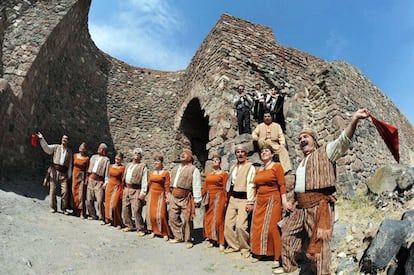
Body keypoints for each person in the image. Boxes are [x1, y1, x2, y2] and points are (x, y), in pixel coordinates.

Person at [275, 108, 370, 275]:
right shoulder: (301, 162)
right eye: (299, 138)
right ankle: (289, 267)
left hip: (319, 205)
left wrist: (354, 118)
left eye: (305, 137)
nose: (301, 140)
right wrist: (291, 201)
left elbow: (343, 141)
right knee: (287, 235)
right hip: (300, 206)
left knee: (319, 245)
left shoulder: (326, 151)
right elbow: (299, 185)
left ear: (314, 140)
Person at [250, 146, 288, 273]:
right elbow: (255, 186)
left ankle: (276, 257)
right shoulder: (259, 169)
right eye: (262, 152)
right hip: (260, 201)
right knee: (258, 226)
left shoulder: (277, 166)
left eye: (266, 151)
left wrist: (284, 201)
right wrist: (253, 199)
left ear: (272, 154)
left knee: (272, 227)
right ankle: (259, 252)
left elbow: (282, 184)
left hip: (273, 199)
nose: (263, 153)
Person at [224, 144, 256, 258]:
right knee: (228, 224)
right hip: (233, 198)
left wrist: (250, 201)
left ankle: (244, 248)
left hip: (244, 199)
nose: (240, 154)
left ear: (246, 154)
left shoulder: (250, 167)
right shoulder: (233, 167)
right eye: (238, 152)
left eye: (242, 152)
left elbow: (251, 184)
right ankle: (234, 246)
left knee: (240, 226)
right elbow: (229, 183)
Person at [168, 148, 202, 249]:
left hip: (186, 197)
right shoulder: (175, 169)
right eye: (181, 153)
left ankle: (188, 239)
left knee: (187, 218)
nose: (182, 155)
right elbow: (171, 183)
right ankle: (179, 236)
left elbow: (196, 184)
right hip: (174, 196)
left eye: (185, 154)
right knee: (172, 217)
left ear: (190, 157)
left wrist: (197, 199)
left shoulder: (193, 169)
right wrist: (169, 194)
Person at [36, 132, 73, 214]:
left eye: (66, 139)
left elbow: (70, 164)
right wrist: (42, 139)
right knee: (52, 190)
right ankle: (53, 207)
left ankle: (63, 208)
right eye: (63, 138)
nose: (64, 140)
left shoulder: (69, 152)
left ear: (68, 141)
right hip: (54, 171)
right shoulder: (56, 147)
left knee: (65, 191)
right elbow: (47, 149)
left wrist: (69, 175)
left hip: (64, 173)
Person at [202, 153, 228, 251]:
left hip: (219, 197)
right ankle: (212, 238)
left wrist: (225, 200)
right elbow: (205, 186)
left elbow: (226, 188)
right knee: (208, 218)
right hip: (209, 198)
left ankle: (221, 241)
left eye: (217, 159)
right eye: (213, 160)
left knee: (218, 219)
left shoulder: (223, 174)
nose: (215, 161)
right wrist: (201, 196)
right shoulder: (209, 174)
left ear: (220, 162)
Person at [121, 148, 148, 236]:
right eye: (135, 153)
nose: (136, 154)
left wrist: (143, 192)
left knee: (136, 209)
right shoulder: (128, 165)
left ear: (141, 156)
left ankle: (140, 228)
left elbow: (144, 180)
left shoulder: (143, 166)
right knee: (125, 208)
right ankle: (129, 225)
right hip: (127, 188)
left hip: (136, 189)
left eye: (138, 153)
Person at [146, 155, 172, 241]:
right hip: (152, 194)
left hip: (161, 195)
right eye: (155, 161)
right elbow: (148, 184)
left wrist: (167, 196)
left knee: (161, 215)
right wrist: (146, 194)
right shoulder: (151, 173)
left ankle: (164, 232)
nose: (156, 163)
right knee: (151, 214)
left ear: (161, 163)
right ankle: (153, 230)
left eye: (158, 161)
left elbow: (167, 185)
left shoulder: (165, 173)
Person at [86, 143, 110, 221]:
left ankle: (102, 216)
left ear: (104, 150)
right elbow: (88, 168)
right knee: (89, 199)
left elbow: (107, 173)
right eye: (99, 147)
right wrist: (87, 178)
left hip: (99, 182)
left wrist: (106, 182)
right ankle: (92, 214)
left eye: (101, 148)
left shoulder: (106, 160)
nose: (99, 149)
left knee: (100, 200)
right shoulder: (93, 157)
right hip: (91, 180)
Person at [104, 152, 125, 228]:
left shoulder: (123, 168)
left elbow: (123, 179)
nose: (117, 160)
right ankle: (109, 220)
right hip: (110, 185)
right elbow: (107, 176)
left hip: (117, 186)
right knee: (108, 203)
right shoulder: (110, 166)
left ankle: (118, 222)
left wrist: (122, 189)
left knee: (115, 205)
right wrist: (106, 183)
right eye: (116, 159)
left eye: (119, 159)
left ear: (121, 160)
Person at [72, 142, 89, 218]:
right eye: (80, 147)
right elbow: (71, 165)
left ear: (85, 149)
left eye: (82, 147)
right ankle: (75, 209)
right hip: (74, 175)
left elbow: (87, 169)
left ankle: (82, 211)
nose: (80, 148)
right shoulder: (75, 155)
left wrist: (86, 179)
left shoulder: (86, 158)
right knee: (74, 192)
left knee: (81, 193)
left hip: (81, 176)